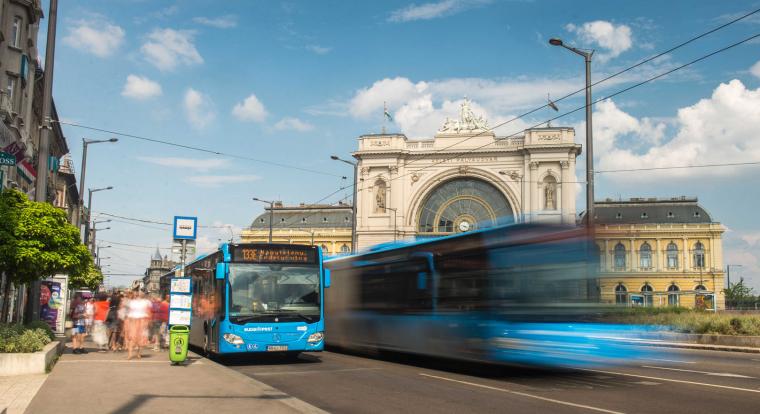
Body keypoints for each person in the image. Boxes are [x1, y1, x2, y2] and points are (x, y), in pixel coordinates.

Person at [125, 290, 152, 360]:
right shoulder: (132, 302)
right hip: (133, 321)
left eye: (139, 295)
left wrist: (148, 321)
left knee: (140, 338)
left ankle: (138, 354)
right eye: (136, 295)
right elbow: (130, 312)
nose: (137, 296)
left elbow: (148, 311)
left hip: (142, 320)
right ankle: (130, 354)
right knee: (132, 337)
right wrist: (127, 321)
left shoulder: (145, 302)